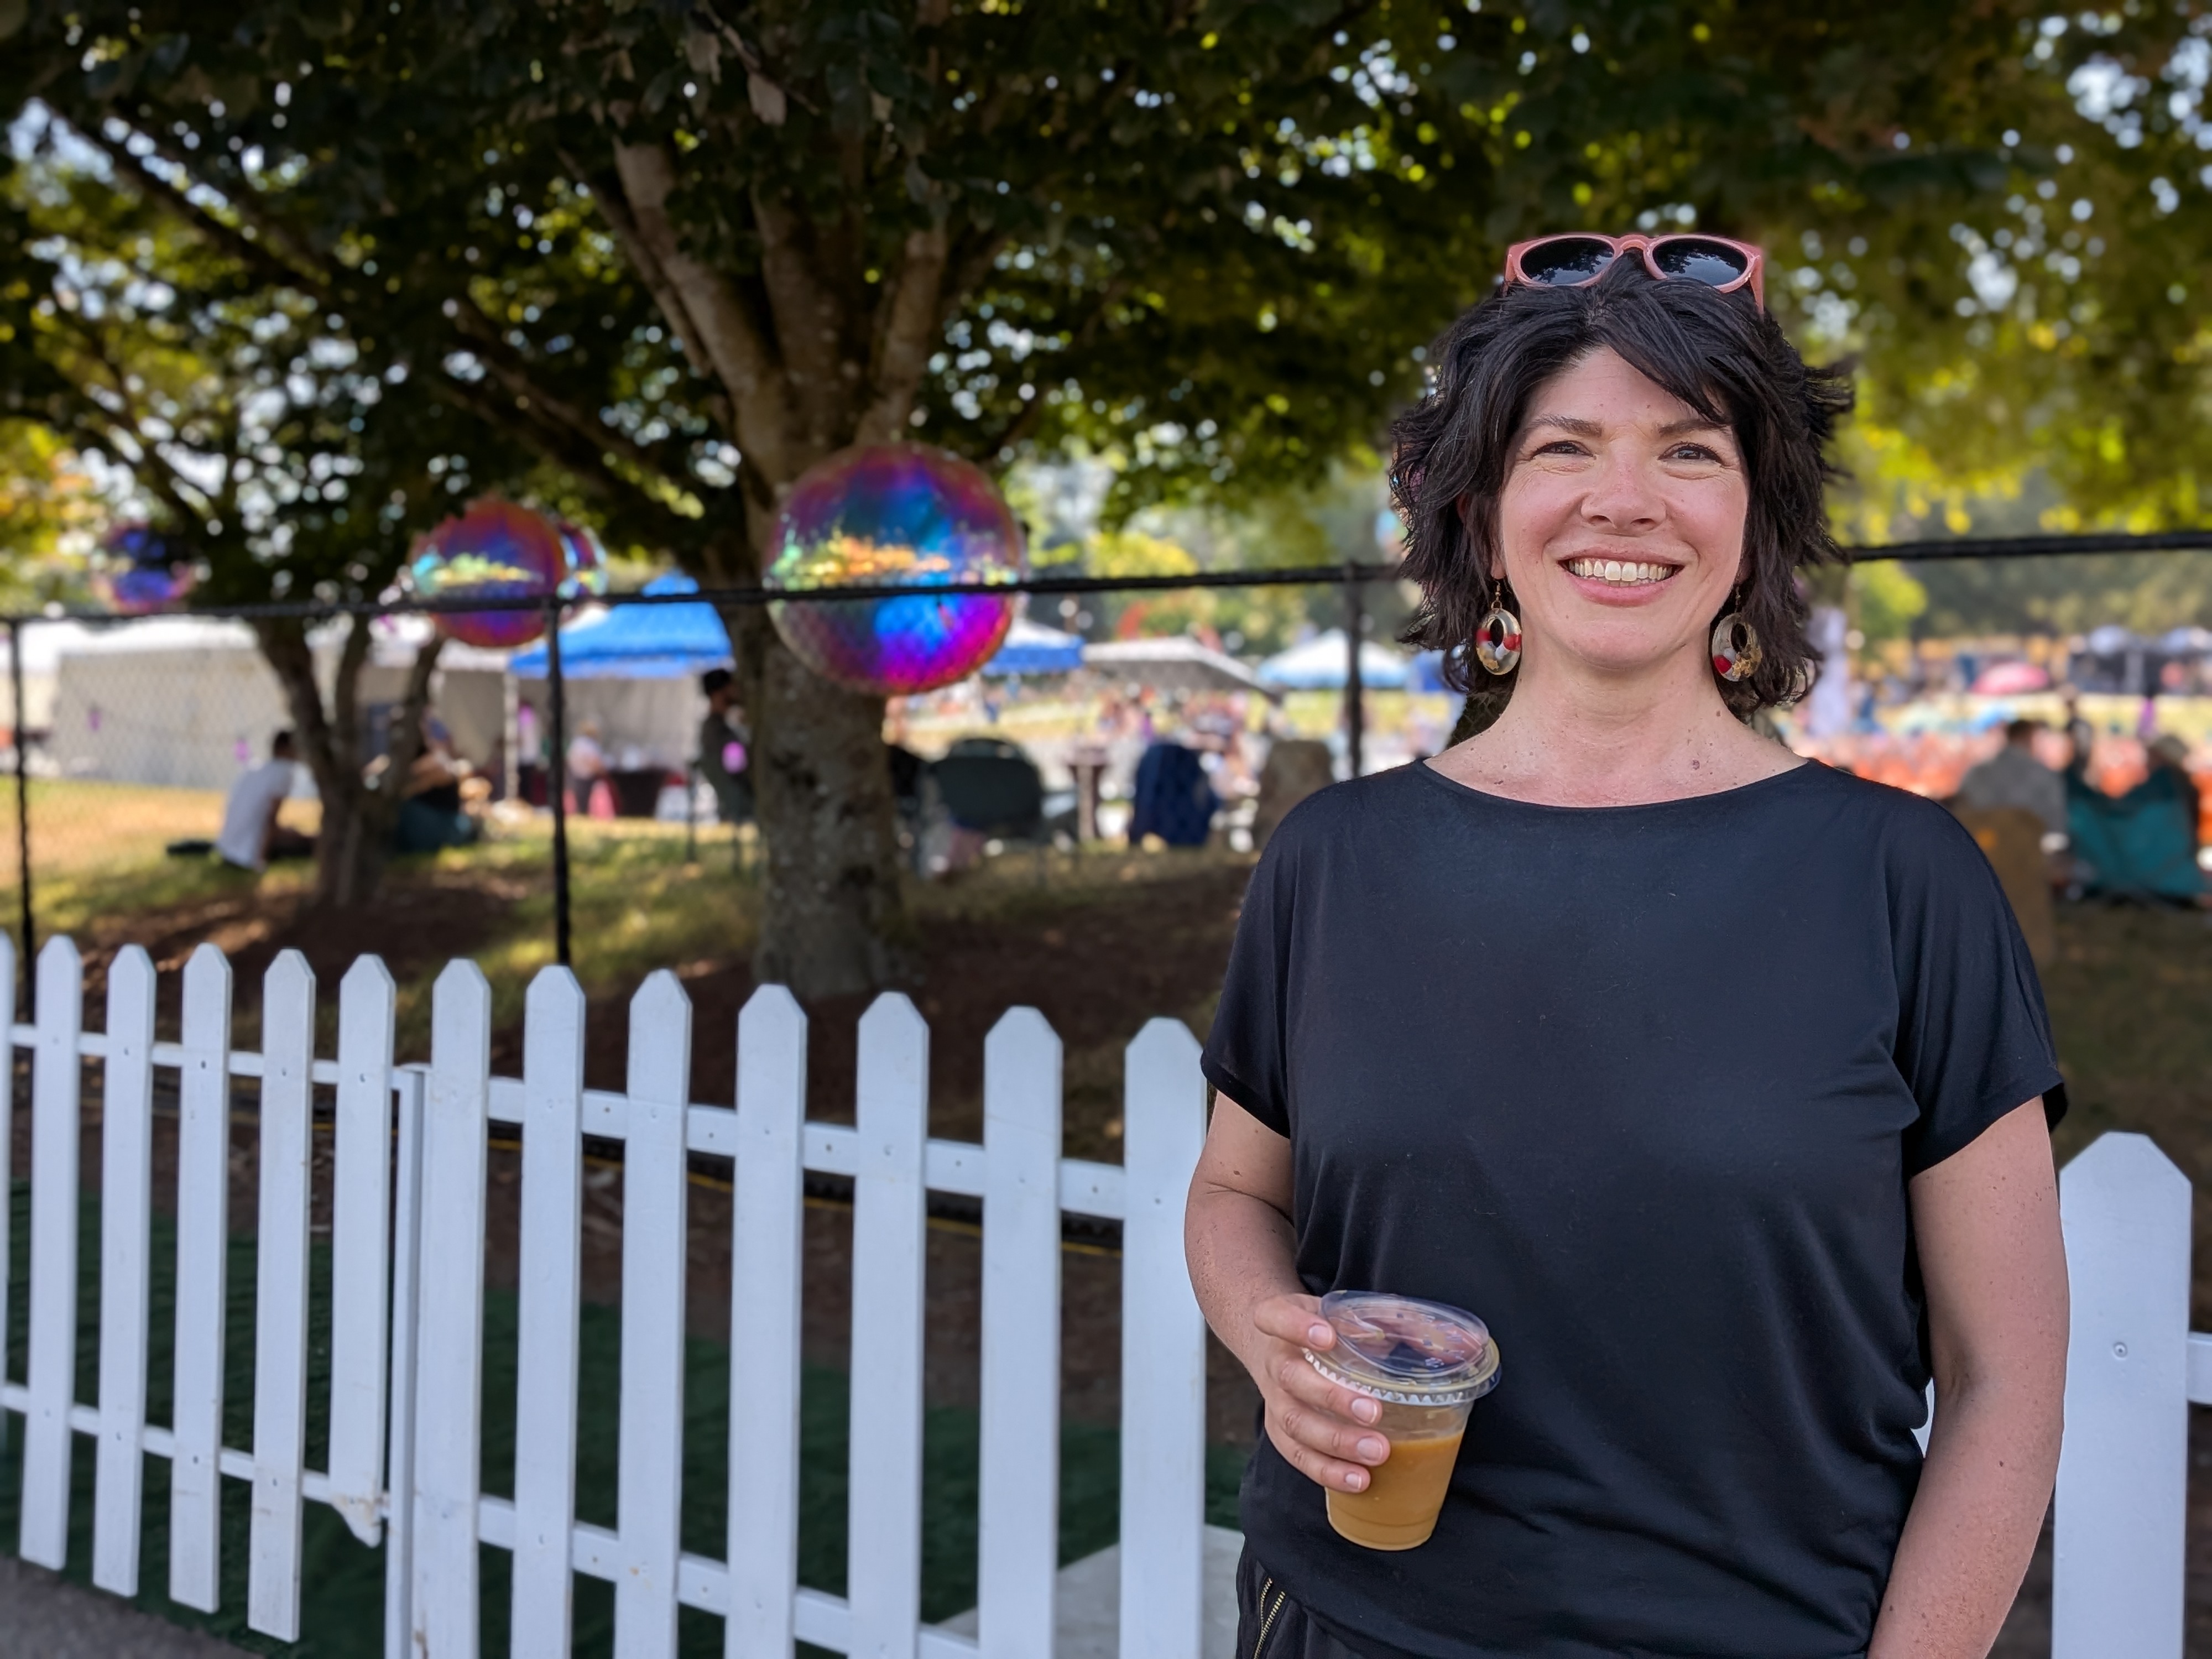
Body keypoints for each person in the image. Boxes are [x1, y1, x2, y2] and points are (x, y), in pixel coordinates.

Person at [1186, 234, 2067, 1659]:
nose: (1624, 499)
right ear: (1477, 512)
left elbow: (2003, 1381)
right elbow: (1235, 1189)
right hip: (1343, 1622)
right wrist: (1265, 1327)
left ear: (1755, 519)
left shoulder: (1904, 881)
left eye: (1689, 451)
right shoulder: (1331, 859)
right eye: (1563, 447)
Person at [1955, 717, 2068, 841]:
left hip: (1983, 845)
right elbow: (2056, 830)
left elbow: (1962, 812)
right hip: (2028, 848)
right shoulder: (2045, 775)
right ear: (2031, 740)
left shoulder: (1977, 772)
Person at [215, 731, 312, 870]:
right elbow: (270, 819)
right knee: (312, 842)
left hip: (228, 850)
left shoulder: (256, 768)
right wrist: (260, 860)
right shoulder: (284, 771)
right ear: (285, 749)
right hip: (247, 853)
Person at [697, 667, 754, 824]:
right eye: (732, 686)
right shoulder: (717, 731)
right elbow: (737, 766)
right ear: (719, 692)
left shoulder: (715, 728)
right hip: (743, 803)